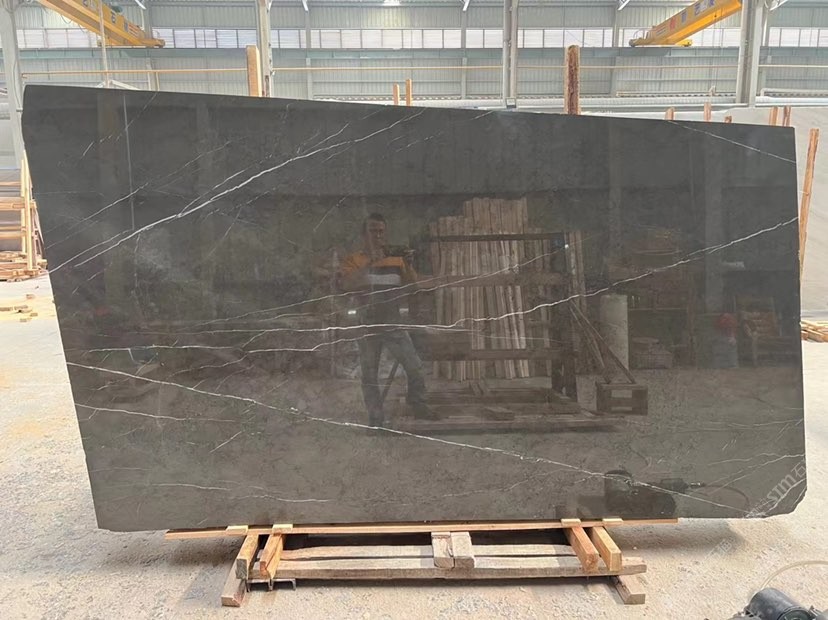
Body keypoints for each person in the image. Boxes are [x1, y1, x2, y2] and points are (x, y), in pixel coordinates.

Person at [339, 213, 433, 425]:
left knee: (414, 366)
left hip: (392, 322)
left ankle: (419, 405)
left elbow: (413, 286)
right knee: (370, 374)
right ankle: (376, 416)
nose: (378, 236)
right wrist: (370, 263)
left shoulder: (396, 259)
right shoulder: (354, 260)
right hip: (367, 324)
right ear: (364, 235)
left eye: (381, 231)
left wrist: (408, 264)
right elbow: (347, 284)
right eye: (373, 231)